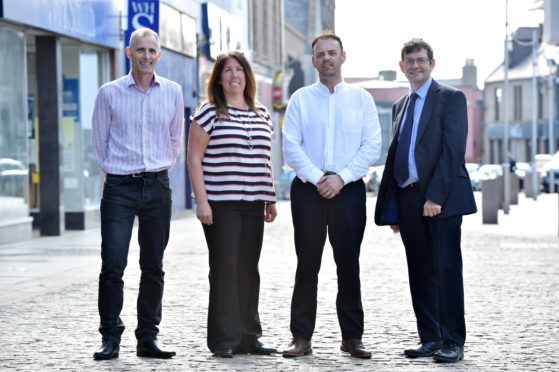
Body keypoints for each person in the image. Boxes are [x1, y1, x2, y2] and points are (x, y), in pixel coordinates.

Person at [374, 39, 477, 363]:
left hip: (440, 198)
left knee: (446, 270)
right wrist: (394, 205)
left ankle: (453, 341)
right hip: (407, 199)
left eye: (421, 60)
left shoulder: (450, 98)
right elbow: (398, 155)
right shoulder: (399, 105)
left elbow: (452, 151)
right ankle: (430, 337)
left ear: (432, 63)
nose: (415, 65)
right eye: (410, 61)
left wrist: (435, 197)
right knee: (419, 270)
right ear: (402, 66)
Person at [281, 31, 382, 359]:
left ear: (343, 56)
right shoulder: (300, 99)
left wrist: (341, 178)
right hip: (308, 192)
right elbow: (290, 146)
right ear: (313, 61)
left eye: (332, 53)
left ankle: (352, 337)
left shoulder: (362, 99)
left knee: (348, 264)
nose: (327, 58)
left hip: (349, 191)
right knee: (307, 263)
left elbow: (372, 146)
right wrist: (317, 178)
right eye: (321, 54)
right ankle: (301, 337)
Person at [91, 27, 184, 360]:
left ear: (159, 55)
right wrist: (120, 172)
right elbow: (99, 144)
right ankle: (110, 337)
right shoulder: (109, 93)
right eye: (140, 50)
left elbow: (175, 142)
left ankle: (148, 337)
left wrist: (155, 170)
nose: (146, 56)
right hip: (119, 188)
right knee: (113, 265)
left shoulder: (172, 92)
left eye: (152, 51)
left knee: (153, 266)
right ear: (129, 53)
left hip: (158, 187)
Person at [187, 50, 278, 358]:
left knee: (248, 270)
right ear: (219, 78)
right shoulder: (209, 111)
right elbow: (194, 158)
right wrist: (202, 202)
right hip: (221, 204)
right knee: (225, 268)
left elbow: (265, 158)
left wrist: (271, 197)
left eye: (239, 70)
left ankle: (249, 338)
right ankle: (223, 339)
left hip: (254, 203)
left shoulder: (262, 113)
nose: (234, 75)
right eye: (228, 71)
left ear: (247, 76)